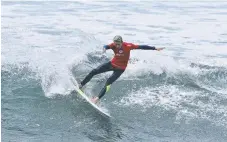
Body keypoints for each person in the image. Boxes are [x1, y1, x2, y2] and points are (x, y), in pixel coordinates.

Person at [79, 35, 165, 104]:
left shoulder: (128, 46)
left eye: (118, 44)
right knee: (94, 71)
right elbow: (106, 46)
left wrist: (154, 48)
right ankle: (82, 85)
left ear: (122, 42)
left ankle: (97, 99)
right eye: (115, 44)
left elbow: (141, 46)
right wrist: (104, 49)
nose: (117, 46)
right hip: (111, 64)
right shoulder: (113, 45)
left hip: (120, 69)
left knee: (108, 83)